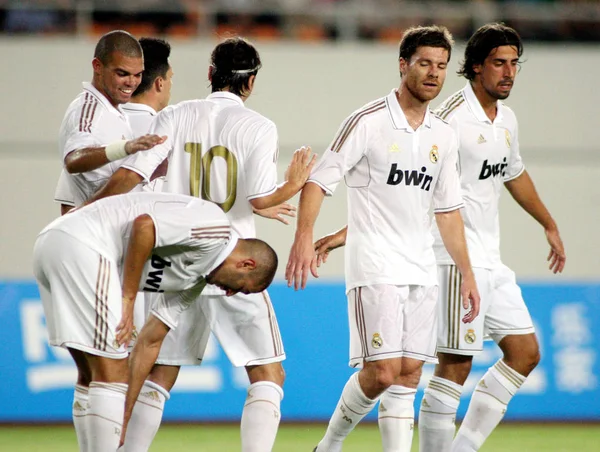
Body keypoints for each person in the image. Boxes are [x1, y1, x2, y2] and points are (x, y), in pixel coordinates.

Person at [86, 37, 314, 452]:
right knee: (268, 375)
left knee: (160, 372)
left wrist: (87, 213)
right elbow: (261, 198)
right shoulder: (258, 126)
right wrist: (292, 186)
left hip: (173, 261)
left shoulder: (173, 115)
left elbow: (138, 177)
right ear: (252, 82)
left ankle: (123, 448)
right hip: (234, 260)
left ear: (210, 74)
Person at [285, 26, 481, 452]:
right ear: (403, 64)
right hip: (375, 264)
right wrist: (305, 236)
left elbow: (446, 211)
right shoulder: (368, 121)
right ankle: (329, 444)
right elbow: (319, 182)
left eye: (442, 66)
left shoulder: (443, 136)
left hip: (422, 267)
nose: (433, 74)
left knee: (410, 371)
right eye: (425, 63)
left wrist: (466, 273)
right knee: (384, 372)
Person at [417, 23, 566, 452]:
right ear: (477, 67)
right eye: (499, 63)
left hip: (491, 260)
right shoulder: (448, 120)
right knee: (455, 365)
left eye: (515, 63)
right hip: (451, 256)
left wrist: (548, 223)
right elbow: (415, 188)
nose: (509, 72)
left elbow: (513, 173)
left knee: (525, 353)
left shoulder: (506, 120)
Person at [33, 192, 278, 452]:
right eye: (241, 288)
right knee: (112, 372)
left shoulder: (193, 282)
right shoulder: (216, 227)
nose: (230, 293)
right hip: (84, 244)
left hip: (56, 245)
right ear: (247, 264)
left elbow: (150, 342)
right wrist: (127, 300)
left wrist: (124, 417)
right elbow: (144, 225)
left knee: (90, 372)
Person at [50, 29, 166, 450]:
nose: (130, 82)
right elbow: (74, 160)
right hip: (89, 256)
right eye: (121, 73)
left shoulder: (114, 112)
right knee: (113, 372)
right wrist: (125, 147)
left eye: (136, 75)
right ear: (97, 66)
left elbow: (68, 191)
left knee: (91, 371)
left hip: (89, 252)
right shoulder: (88, 111)